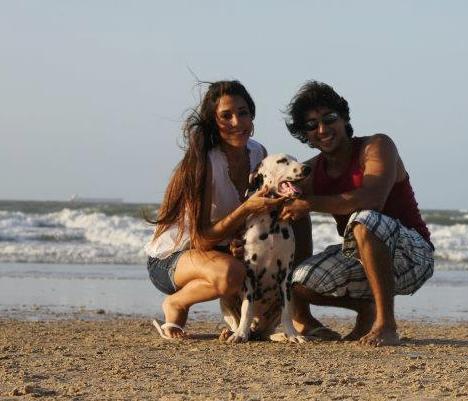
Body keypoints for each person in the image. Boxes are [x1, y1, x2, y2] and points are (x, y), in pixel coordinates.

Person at [280, 81, 434, 346]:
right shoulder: (310, 171)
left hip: (413, 257)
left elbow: (373, 199)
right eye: (312, 125)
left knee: (364, 219)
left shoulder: (376, 146)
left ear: (344, 118)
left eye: (329, 118)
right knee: (299, 280)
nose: (322, 129)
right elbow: (276, 205)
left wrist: (310, 202)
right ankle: (318, 316)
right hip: (362, 259)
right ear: (305, 134)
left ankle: (386, 325)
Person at [145, 80, 288, 339]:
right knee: (231, 273)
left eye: (243, 113)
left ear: (252, 116)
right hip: (172, 259)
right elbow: (201, 238)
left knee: (291, 218)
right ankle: (176, 303)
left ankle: (295, 312)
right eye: (226, 116)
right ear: (213, 121)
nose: (237, 122)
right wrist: (245, 209)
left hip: (216, 252)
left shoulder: (259, 153)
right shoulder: (205, 161)